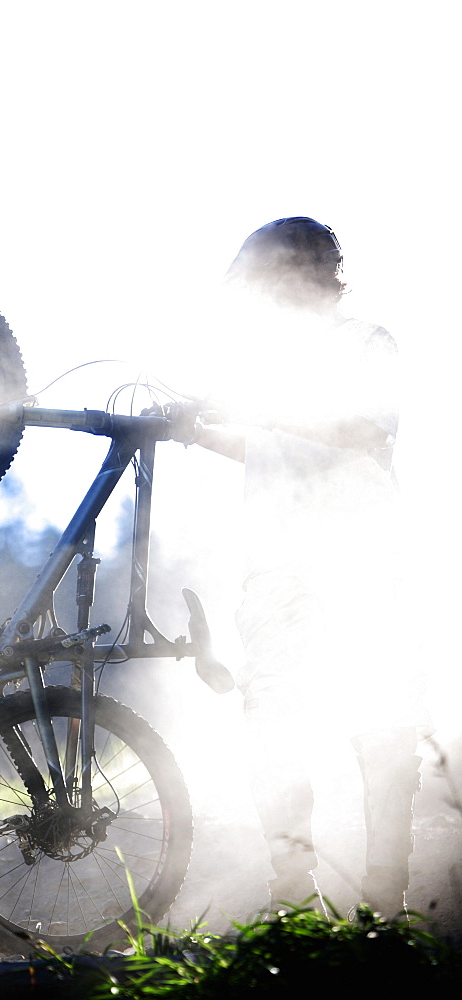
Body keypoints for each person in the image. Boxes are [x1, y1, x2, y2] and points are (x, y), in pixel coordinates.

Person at [174, 217, 429, 916]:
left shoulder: (367, 343)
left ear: (303, 274)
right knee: (274, 729)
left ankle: (386, 901)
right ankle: (292, 898)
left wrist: (260, 411)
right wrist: (197, 432)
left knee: (380, 727)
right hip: (279, 569)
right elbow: (273, 449)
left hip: (363, 560)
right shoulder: (272, 363)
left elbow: (362, 429)